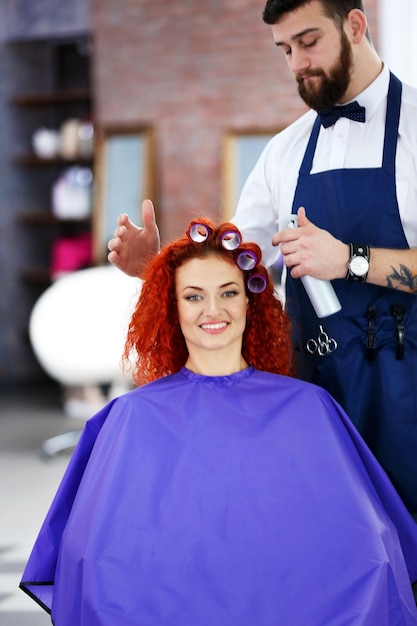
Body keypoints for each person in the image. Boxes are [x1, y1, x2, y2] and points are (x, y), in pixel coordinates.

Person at [20, 218, 417, 624]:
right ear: (172, 308)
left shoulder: (311, 408)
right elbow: (91, 557)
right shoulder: (131, 416)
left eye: (228, 292)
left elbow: (369, 548)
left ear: (250, 301)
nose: (213, 310)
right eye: (193, 297)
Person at [107, 0, 417, 516]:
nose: (296, 63)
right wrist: (157, 265)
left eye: (309, 42)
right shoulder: (285, 151)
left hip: (409, 395)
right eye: (285, 50)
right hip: (316, 396)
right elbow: (231, 264)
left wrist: (349, 260)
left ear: (356, 26)